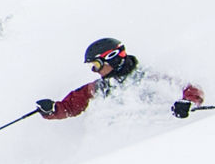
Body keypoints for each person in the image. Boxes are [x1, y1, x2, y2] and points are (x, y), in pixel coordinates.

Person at [35, 38, 204, 120]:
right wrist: (51, 110)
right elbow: (70, 106)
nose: (94, 70)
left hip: (163, 136)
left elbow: (191, 89)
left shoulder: (148, 75)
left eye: (96, 64)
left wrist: (187, 103)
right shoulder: (100, 88)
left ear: (112, 59)